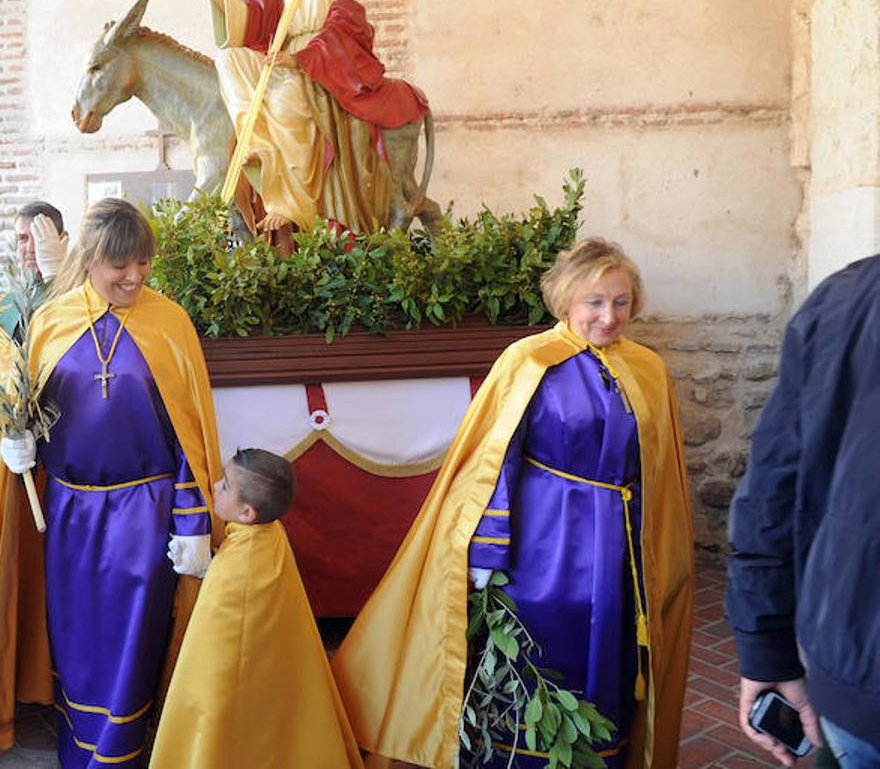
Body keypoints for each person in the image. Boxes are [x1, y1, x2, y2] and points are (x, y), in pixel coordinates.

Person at [332, 238, 694, 768]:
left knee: (612, 643)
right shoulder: (529, 361)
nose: (609, 316)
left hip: (619, 542)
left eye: (621, 302)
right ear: (566, 300)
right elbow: (494, 462)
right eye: (595, 302)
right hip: (545, 538)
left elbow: (659, 469)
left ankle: (600, 755)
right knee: (543, 641)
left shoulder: (647, 369)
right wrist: (486, 550)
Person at [0, 197, 223, 768]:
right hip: (67, 511)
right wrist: (13, 443)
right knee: (76, 634)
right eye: (121, 264)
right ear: (89, 257)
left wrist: (193, 524)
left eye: (143, 262)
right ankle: (81, 748)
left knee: (133, 639)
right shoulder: (52, 321)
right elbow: (28, 411)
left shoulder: (170, 324)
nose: (135, 276)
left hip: (146, 511)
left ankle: (114, 755)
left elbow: (192, 435)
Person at [191, 0, 427, 235]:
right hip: (283, 57)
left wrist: (303, 59)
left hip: (325, 60)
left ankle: (290, 204)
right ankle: (257, 145)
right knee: (229, 60)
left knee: (287, 97)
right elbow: (253, 18)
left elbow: (347, 20)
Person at [726, 255, 880, 767]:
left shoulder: (845, 296)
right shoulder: (846, 299)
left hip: (855, 672)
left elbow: (772, 487)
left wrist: (765, 645)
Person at [149, 448, 364, 769]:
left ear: (247, 512)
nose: (216, 485)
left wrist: (203, 570)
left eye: (224, 487)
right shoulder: (271, 534)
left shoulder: (238, 567)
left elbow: (213, 644)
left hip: (227, 685)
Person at [0, 199, 68, 338]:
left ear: (62, 239)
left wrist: (54, 277)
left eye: (39, 237)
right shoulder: (4, 305)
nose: (30, 248)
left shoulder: (77, 295)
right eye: (23, 238)